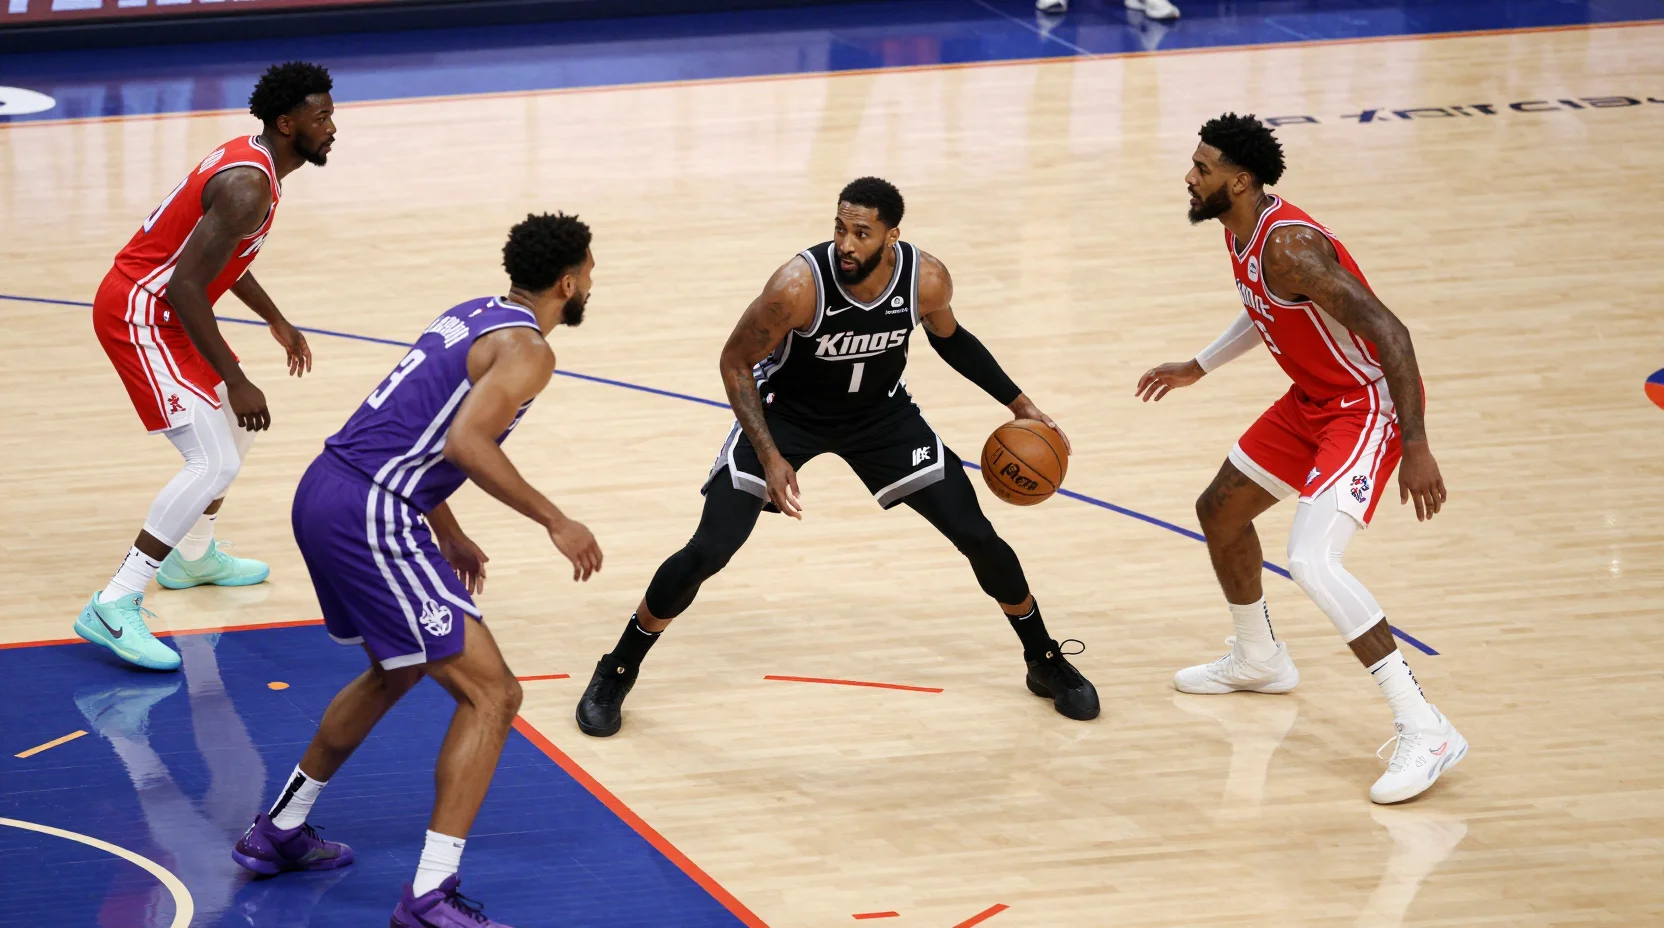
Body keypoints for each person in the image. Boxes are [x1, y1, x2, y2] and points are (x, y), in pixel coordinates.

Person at [576, 177, 1098, 739]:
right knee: (710, 548)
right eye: (840, 228)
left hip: (881, 418)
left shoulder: (926, 279)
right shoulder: (796, 286)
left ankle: (1042, 660)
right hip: (786, 416)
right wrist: (771, 455)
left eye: (862, 232)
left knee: (976, 533)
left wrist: (1020, 403)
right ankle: (617, 669)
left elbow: (950, 339)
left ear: (892, 237)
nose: (846, 243)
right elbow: (734, 363)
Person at [230, 213, 603, 928]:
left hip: (328, 488)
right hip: (372, 510)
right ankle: (430, 895)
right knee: (493, 696)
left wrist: (450, 530)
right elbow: (464, 442)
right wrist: (556, 519)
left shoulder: (471, 313)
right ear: (567, 281)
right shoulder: (529, 351)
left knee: (397, 667)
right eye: (589, 270)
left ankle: (279, 830)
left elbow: (414, 426)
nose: (591, 281)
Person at [1136, 113, 1466, 804]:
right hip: (1312, 399)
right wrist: (1200, 365)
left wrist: (1417, 445)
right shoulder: (1242, 234)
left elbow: (1391, 331)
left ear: (1242, 180)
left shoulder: (1289, 246)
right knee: (1219, 510)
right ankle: (1259, 658)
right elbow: (1265, 310)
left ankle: (1424, 725)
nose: (1189, 178)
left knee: (1314, 560)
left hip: (1364, 405)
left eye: (1202, 169)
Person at [78, 61, 334, 671]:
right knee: (211, 457)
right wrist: (238, 379)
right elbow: (185, 288)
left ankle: (193, 557)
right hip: (143, 313)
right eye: (321, 116)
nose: (332, 126)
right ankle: (114, 602)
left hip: (169, 308)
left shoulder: (259, 165)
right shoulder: (248, 185)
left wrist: (275, 318)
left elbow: (219, 258)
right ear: (285, 122)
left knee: (236, 437)